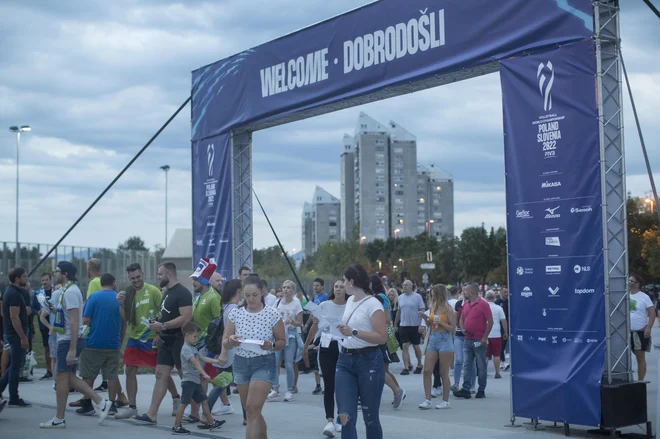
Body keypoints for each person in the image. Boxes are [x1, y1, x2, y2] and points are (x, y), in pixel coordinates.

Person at [40, 261, 111, 428]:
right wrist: (50, 308)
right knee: (67, 378)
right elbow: (65, 315)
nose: (55, 273)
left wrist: (72, 349)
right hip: (67, 338)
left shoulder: (70, 292)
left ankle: (61, 417)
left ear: (65, 274)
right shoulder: (66, 291)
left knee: (62, 377)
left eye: (57, 271)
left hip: (68, 339)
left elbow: (73, 321)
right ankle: (99, 402)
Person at [222, 274, 285, 439]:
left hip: (264, 363)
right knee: (252, 411)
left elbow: (281, 341)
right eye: (247, 295)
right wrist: (231, 340)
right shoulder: (236, 313)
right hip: (241, 364)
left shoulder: (272, 314)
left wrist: (271, 345)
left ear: (262, 292)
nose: (251, 299)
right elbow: (225, 343)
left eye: (255, 295)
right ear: (242, 294)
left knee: (251, 409)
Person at [115, 262, 180, 419]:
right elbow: (126, 319)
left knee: (159, 371)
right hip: (135, 338)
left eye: (138, 277)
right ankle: (132, 406)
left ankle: (176, 398)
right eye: (132, 278)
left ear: (143, 274)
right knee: (129, 370)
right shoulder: (128, 293)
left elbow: (164, 313)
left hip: (152, 339)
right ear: (128, 278)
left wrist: (160, 333)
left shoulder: (153, 291)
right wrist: (121, 305)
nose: (136, 280)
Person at [135, 261, 192, 424]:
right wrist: (158, 327)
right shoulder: (167, 293)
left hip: (179, 340)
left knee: (186, 377)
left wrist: (163, 325)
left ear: (168, 274)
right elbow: (166, 315)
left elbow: (185, 318)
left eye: (160, 274)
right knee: (160, 374)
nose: (158, 277)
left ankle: (197, 411)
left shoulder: (183, 293)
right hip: (165, 340)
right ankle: (151, 414)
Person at [335, 264, 387, 439]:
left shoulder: (373, 304)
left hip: (369, 360)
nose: (342, 284)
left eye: (344, 280)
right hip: (345, 360)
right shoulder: (350, 301)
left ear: (351, 281)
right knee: (345, 416)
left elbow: (382, 337)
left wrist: (353, 332)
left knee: (370, 418)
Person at [303, 279, 347, 437]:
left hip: (345, 347)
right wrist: (306, 345)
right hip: (327, 346)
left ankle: (341, 419)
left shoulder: (351, 306)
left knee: (342, 385)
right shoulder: (324, 305)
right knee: (329, 384)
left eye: (342, 287)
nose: (339, 289)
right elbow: (315, 326)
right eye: (336, 286)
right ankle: (329, 421)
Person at [76, 273, 123, 415]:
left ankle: (87, 404)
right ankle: (112, 404)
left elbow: (85, 319)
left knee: (88, 376)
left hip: (93, 343)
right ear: (114, 283)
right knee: (112, 376)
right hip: (113, 343)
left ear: (101, 283)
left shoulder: (94, 297)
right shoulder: (119, 299)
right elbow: (124, 321)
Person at [184, 258, 222, 421]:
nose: (193, 282)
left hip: (207, 343)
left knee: (200, 377)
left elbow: (219, 321)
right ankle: (196, 411)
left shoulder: (213, 297)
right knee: (196, 376)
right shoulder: (199, 297)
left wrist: (209, 338)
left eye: (195, 280)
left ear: (203, 280)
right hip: (197, 343)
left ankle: (197, 412)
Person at [172, 322, 225, 434]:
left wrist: (217, 361)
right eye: (195, 336)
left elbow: (203, 358)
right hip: (189, 382)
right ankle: (176, 426)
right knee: (184, 404)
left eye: (198, 336)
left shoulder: (193, 348)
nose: (197, 339)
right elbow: (195, 362)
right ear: (186, 335)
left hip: (195, 382)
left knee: (204, 401)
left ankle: (211, 423)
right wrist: (205, 374)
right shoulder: (186, 349)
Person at [369, 274, 405, 409]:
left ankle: (398, 391)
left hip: (381, 336)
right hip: (379, 335)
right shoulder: (377, 296)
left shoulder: (381, 297)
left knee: (379, 370)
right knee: (383, 370)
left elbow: (387, 318)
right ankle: (398, 391)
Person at [418, 284, 456, 410]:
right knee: (427, 370)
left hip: (445, 340)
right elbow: (431, 325)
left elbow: (453, 328)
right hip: (433, 339)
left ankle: (445, 401)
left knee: (443, 372)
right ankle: (427, 399)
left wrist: (442, 322)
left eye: (433, 294)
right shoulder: (432, 307)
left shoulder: (448, 309)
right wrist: (426, 318)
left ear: (439, 294)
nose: (431, 296)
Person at [453, 282, 492, 400]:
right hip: (467, 338)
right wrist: (463, 328)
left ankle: (481, 389)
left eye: (465, 290)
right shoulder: (466, 304)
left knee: (481, 365)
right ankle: (466, 388)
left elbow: (490, 322)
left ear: (471, 292)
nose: (464, 292)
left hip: (479, 339)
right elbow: (462, 318)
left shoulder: (483, 304)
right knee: (467, 364)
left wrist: (485, 337)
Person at [0, 267, 31, 407]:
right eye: (24, 276)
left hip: (14, 333)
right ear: (17, 279)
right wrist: (23, 337)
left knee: (14, 365)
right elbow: (14, 317)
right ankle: (14, 397)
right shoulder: (14, 294)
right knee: (15, 367)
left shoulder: (14, 292)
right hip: (15, 334)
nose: (26, 279)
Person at [268, 280, 304, 402]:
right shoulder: (277, 302)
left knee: (289, 364)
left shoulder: (296, 303)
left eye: (288, 288)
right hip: (278, 335)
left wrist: (292, 321)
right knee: (275, 362)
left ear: (293, 290)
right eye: (284, 287)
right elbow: (271, 316)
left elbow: (300, 322)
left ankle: (289, 390)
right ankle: (275, 388)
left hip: (291, 336)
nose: (286, 290)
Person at [394, 279, 425, 375]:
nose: (404, 287)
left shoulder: (417, 297)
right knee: (404, 346)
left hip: (415, 325)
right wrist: (395, 324)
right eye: (403, 285)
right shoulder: (400, 298)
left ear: (411, 286)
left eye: (406, 285)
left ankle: (419, 364)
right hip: (404, 325)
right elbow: (399, 311)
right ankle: (406, 367)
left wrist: (421, 324)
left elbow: (422, 309)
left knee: (416, 346)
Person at [629, 274, 655, 381]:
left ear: (637, 284)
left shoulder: (644, 297)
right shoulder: (624, 295)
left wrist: (649, 327)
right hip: (624, 332)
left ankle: (640, 381)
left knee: (640, 357)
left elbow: (652, 312)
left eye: (631, 281)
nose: (628, 282)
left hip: (639, 332)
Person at [35, 272, 55, 381]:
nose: (45, 282)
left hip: (55, 321)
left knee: (56, 347)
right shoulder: (38, 293)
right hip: (44, 323)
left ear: (50, 280)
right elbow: (33, 307)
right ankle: (49, 370)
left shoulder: (56, 291)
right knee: (47, 347)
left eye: (46, 280)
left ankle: (56, 369)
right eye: (42, 280)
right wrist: (37, 311)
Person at [485, 291, 507, 379]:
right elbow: (503, 321)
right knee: (497, 354)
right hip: (496, 333)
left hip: (485, 334)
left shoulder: (483, 307)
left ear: (486, 298)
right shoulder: (498, 308)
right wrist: (506, 332)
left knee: (486, 355)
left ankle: (484, 372)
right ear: (494, 298)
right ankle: (497, 373)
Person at [494, 287, 510, 370]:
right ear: (501, 293)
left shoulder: (509, 302)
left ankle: (502, 361)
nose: (506, 294)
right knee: (501, 345)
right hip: (499, 327)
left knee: (504, 344)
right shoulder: (497, 303)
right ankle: (503, 362)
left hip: (508, 326)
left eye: (507, 292)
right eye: (505, 292)